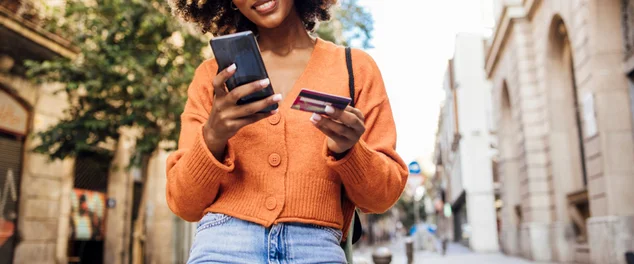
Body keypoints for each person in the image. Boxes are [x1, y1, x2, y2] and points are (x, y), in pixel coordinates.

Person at [166, 0, 408, 262]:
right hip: (223, 244)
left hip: (316, 246)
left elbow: (381, 197)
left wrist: (349, 151)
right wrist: (213, 136)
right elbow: (183, 203)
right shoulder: (212, 78)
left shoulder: (355, 68)